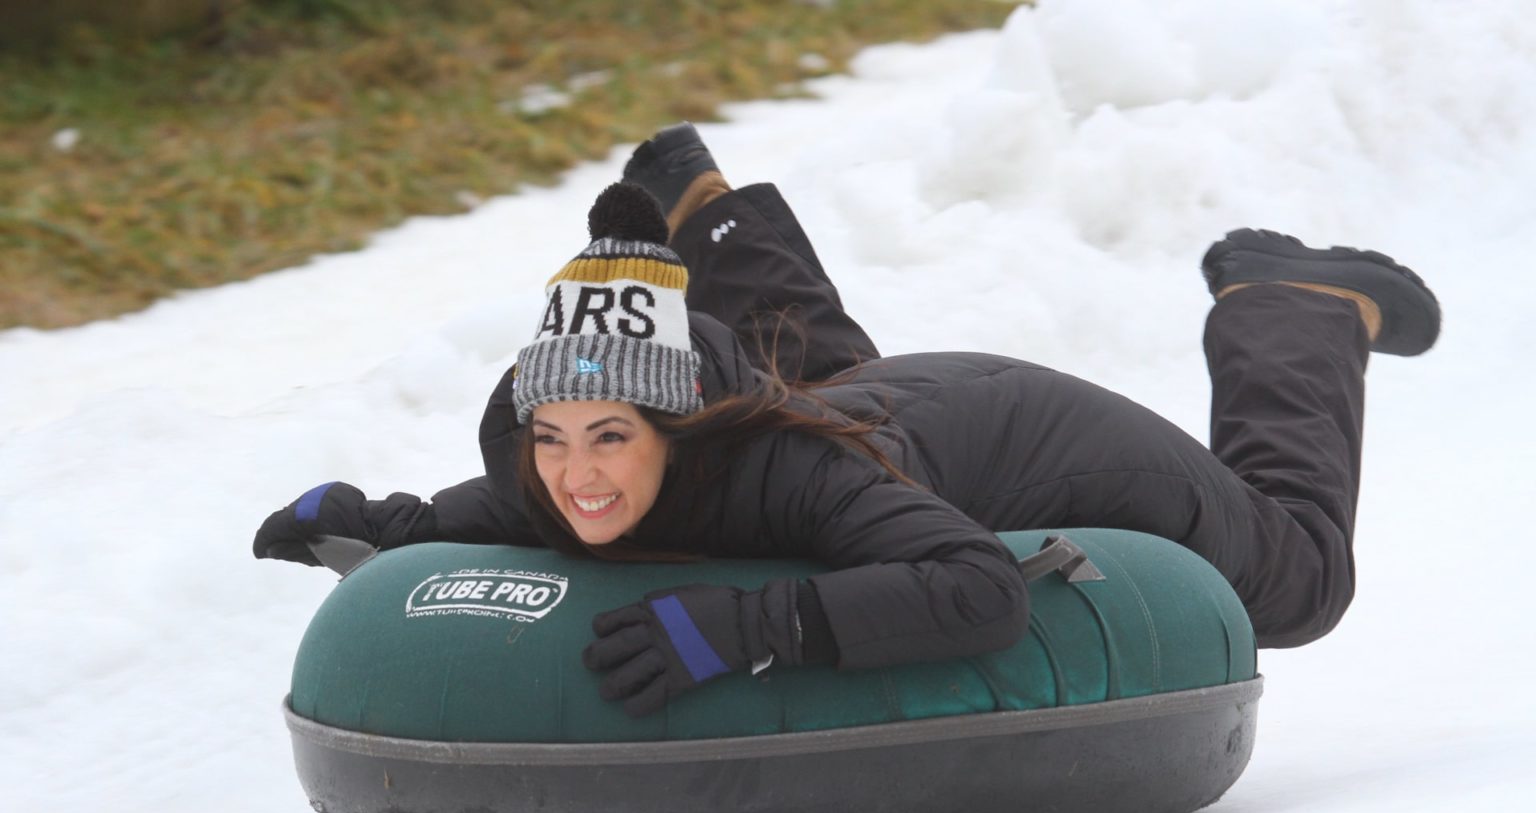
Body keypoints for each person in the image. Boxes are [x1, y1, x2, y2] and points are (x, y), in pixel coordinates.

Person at [255, 123, 1441, 716]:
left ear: (680, 428)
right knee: (821, 406)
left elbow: (975, 585)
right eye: (551, 441)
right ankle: (701, 215)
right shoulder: (556, 462)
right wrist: (376, 526)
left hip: (1031, 430)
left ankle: (1291, 303)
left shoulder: (779, 476)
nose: (578, 478)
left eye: (611, 439)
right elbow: (486, 512)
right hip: (865, 418)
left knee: (1301, 580)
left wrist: (755, 624)